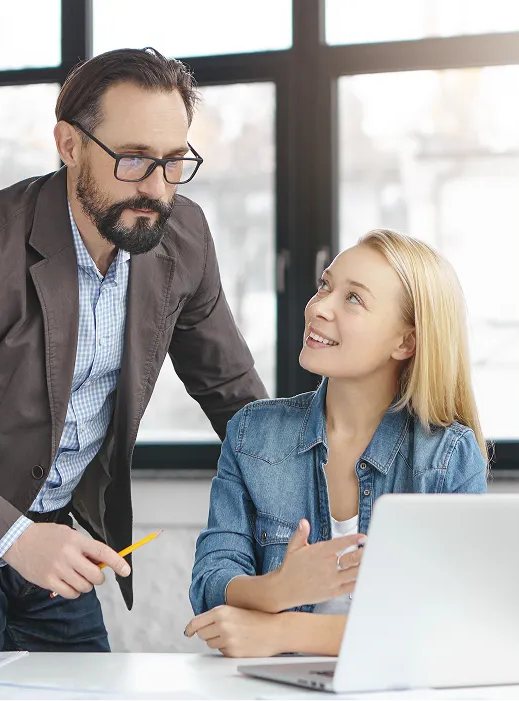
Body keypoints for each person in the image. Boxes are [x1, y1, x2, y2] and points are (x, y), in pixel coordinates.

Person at [0, 47, 267, 653]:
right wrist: (16, 538)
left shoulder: (183, 236)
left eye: (174, 161)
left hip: (54, 537)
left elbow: (234, 396)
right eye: (132, 160)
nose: (156, 188)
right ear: (69, 145)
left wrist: (305, 498)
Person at [186, 229, 488, 658]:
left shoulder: (447, 457)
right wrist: (276, 590)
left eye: (354, 298)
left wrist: (284, 631)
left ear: (406, 341)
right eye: (325, 285)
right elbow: (210, 584)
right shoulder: (253, 433)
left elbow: (449, 624)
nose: (318, 307)